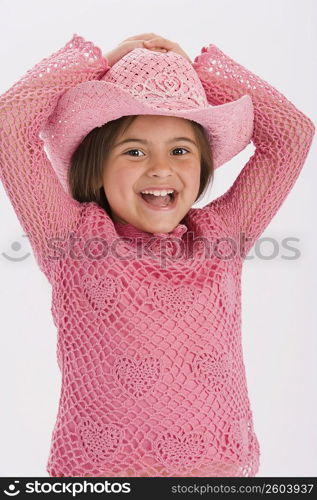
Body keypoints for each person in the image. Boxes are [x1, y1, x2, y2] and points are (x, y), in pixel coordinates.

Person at [0, 32, 314, 478]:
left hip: (219, 473)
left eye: (181, 151)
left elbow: (293, 134)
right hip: (104, 477)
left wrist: (198, 73)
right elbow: (9, 124)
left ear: (203, 166)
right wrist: (97, 64)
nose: (161, 168)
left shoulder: (220, 237)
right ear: (96, 167)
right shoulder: (73, 241)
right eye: (134, 151)